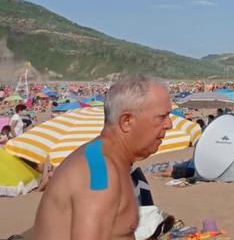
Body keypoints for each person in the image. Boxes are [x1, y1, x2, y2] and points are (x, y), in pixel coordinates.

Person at [32, 75, 173, 240]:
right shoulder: (100, 171)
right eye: (162, 116)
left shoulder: (103, 158)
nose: (169, 124)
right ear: (127, 121)